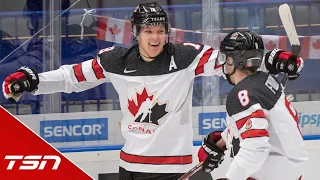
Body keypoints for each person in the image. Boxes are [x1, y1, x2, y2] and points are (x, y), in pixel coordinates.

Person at [2, 2, 303, 180]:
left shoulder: (185, 57)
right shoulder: (115, 60)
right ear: (136, 32)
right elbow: (72, 76)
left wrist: (275, 59)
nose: (156, 37)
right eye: (149, 31)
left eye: (161, 31)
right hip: (130, 167)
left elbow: (232, 60)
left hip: (177, 169)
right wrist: (32, 81)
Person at [197, 30, 307, 180]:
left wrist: (232, 178)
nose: (222, 63)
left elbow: (256, 146)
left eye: (224, 57)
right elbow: (258, 124)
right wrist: (222, 142)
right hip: (288, 172)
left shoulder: (241, 93)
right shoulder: (265, 80)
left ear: (231, 61)